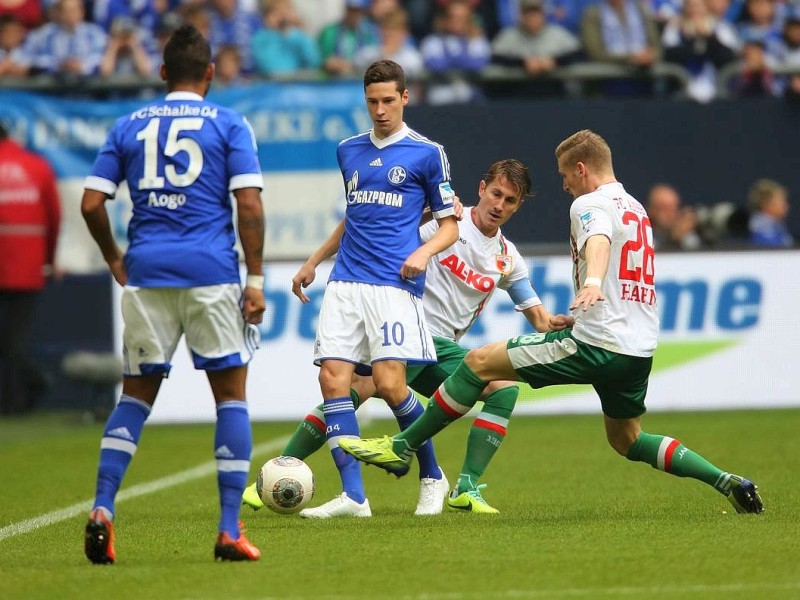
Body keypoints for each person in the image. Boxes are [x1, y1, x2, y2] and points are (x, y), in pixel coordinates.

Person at [339, 129, 765, 516]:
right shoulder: (635, 208)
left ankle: (401, 446)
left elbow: (597, 242)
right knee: (628, 440)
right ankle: (726, 480)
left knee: (479, 364)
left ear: (581, 169)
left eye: (565, 175)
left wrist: (594, 280)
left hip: (595, 342)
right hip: (638, 350)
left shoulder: (590, 203)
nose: (564, 185)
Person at [241, 158, 571, 514]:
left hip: (440, 348)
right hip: (403, 328)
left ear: (518, 205)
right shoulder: (447, 223)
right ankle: (291, 475)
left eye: (509, 201)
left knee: (502, 391)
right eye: (496, 194)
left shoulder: (507, 258)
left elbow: (538, 317)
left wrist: (558, 323)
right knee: (350, 393)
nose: (499, 205)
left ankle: (463, 486)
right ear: (481, 189)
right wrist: (318, 260)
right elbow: (372, 228)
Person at [81, 24, 266, 564]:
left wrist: (115, 258)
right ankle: (230, 528)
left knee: (134, 398)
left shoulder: (129, 125)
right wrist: (254, 281)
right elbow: (249, 206)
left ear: (162, 73)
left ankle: (102, 507)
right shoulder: (229, 124)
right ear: (210, 73)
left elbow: (93, 204)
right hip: (210, 273)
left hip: (147, 273)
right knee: (230, 396)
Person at [294, 58, 459, 519]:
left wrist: (424, 254)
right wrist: (313, 261)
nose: (381, 110)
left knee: (389, 385)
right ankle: (354, 496)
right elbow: (353, 217)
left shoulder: (428, 153)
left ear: (405, 98)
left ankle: (432, 476)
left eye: (389, 100)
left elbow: (450, 225)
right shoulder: (348, 150)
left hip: (394, 283)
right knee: (333, 381)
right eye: (372, 101)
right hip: (345, 280)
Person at [0, 121, 61, 416]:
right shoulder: (36, 166)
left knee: (11, 341)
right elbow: (54, 217)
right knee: (14, 337)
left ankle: (16, 400)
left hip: (13, 261)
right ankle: (27, 390)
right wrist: (48, 259)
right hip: (27, 263)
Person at [646, 183, 704, 251]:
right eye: (664, 208)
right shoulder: (644, 236)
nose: (669, 214)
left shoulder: (687, 238)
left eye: (673, 208)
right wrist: (673, 239)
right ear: (651, 209)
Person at [747, 178, 793, 247]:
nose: (786, 205)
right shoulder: (760, 229)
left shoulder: (777, 226)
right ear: (766, 204)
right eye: (781, 201)